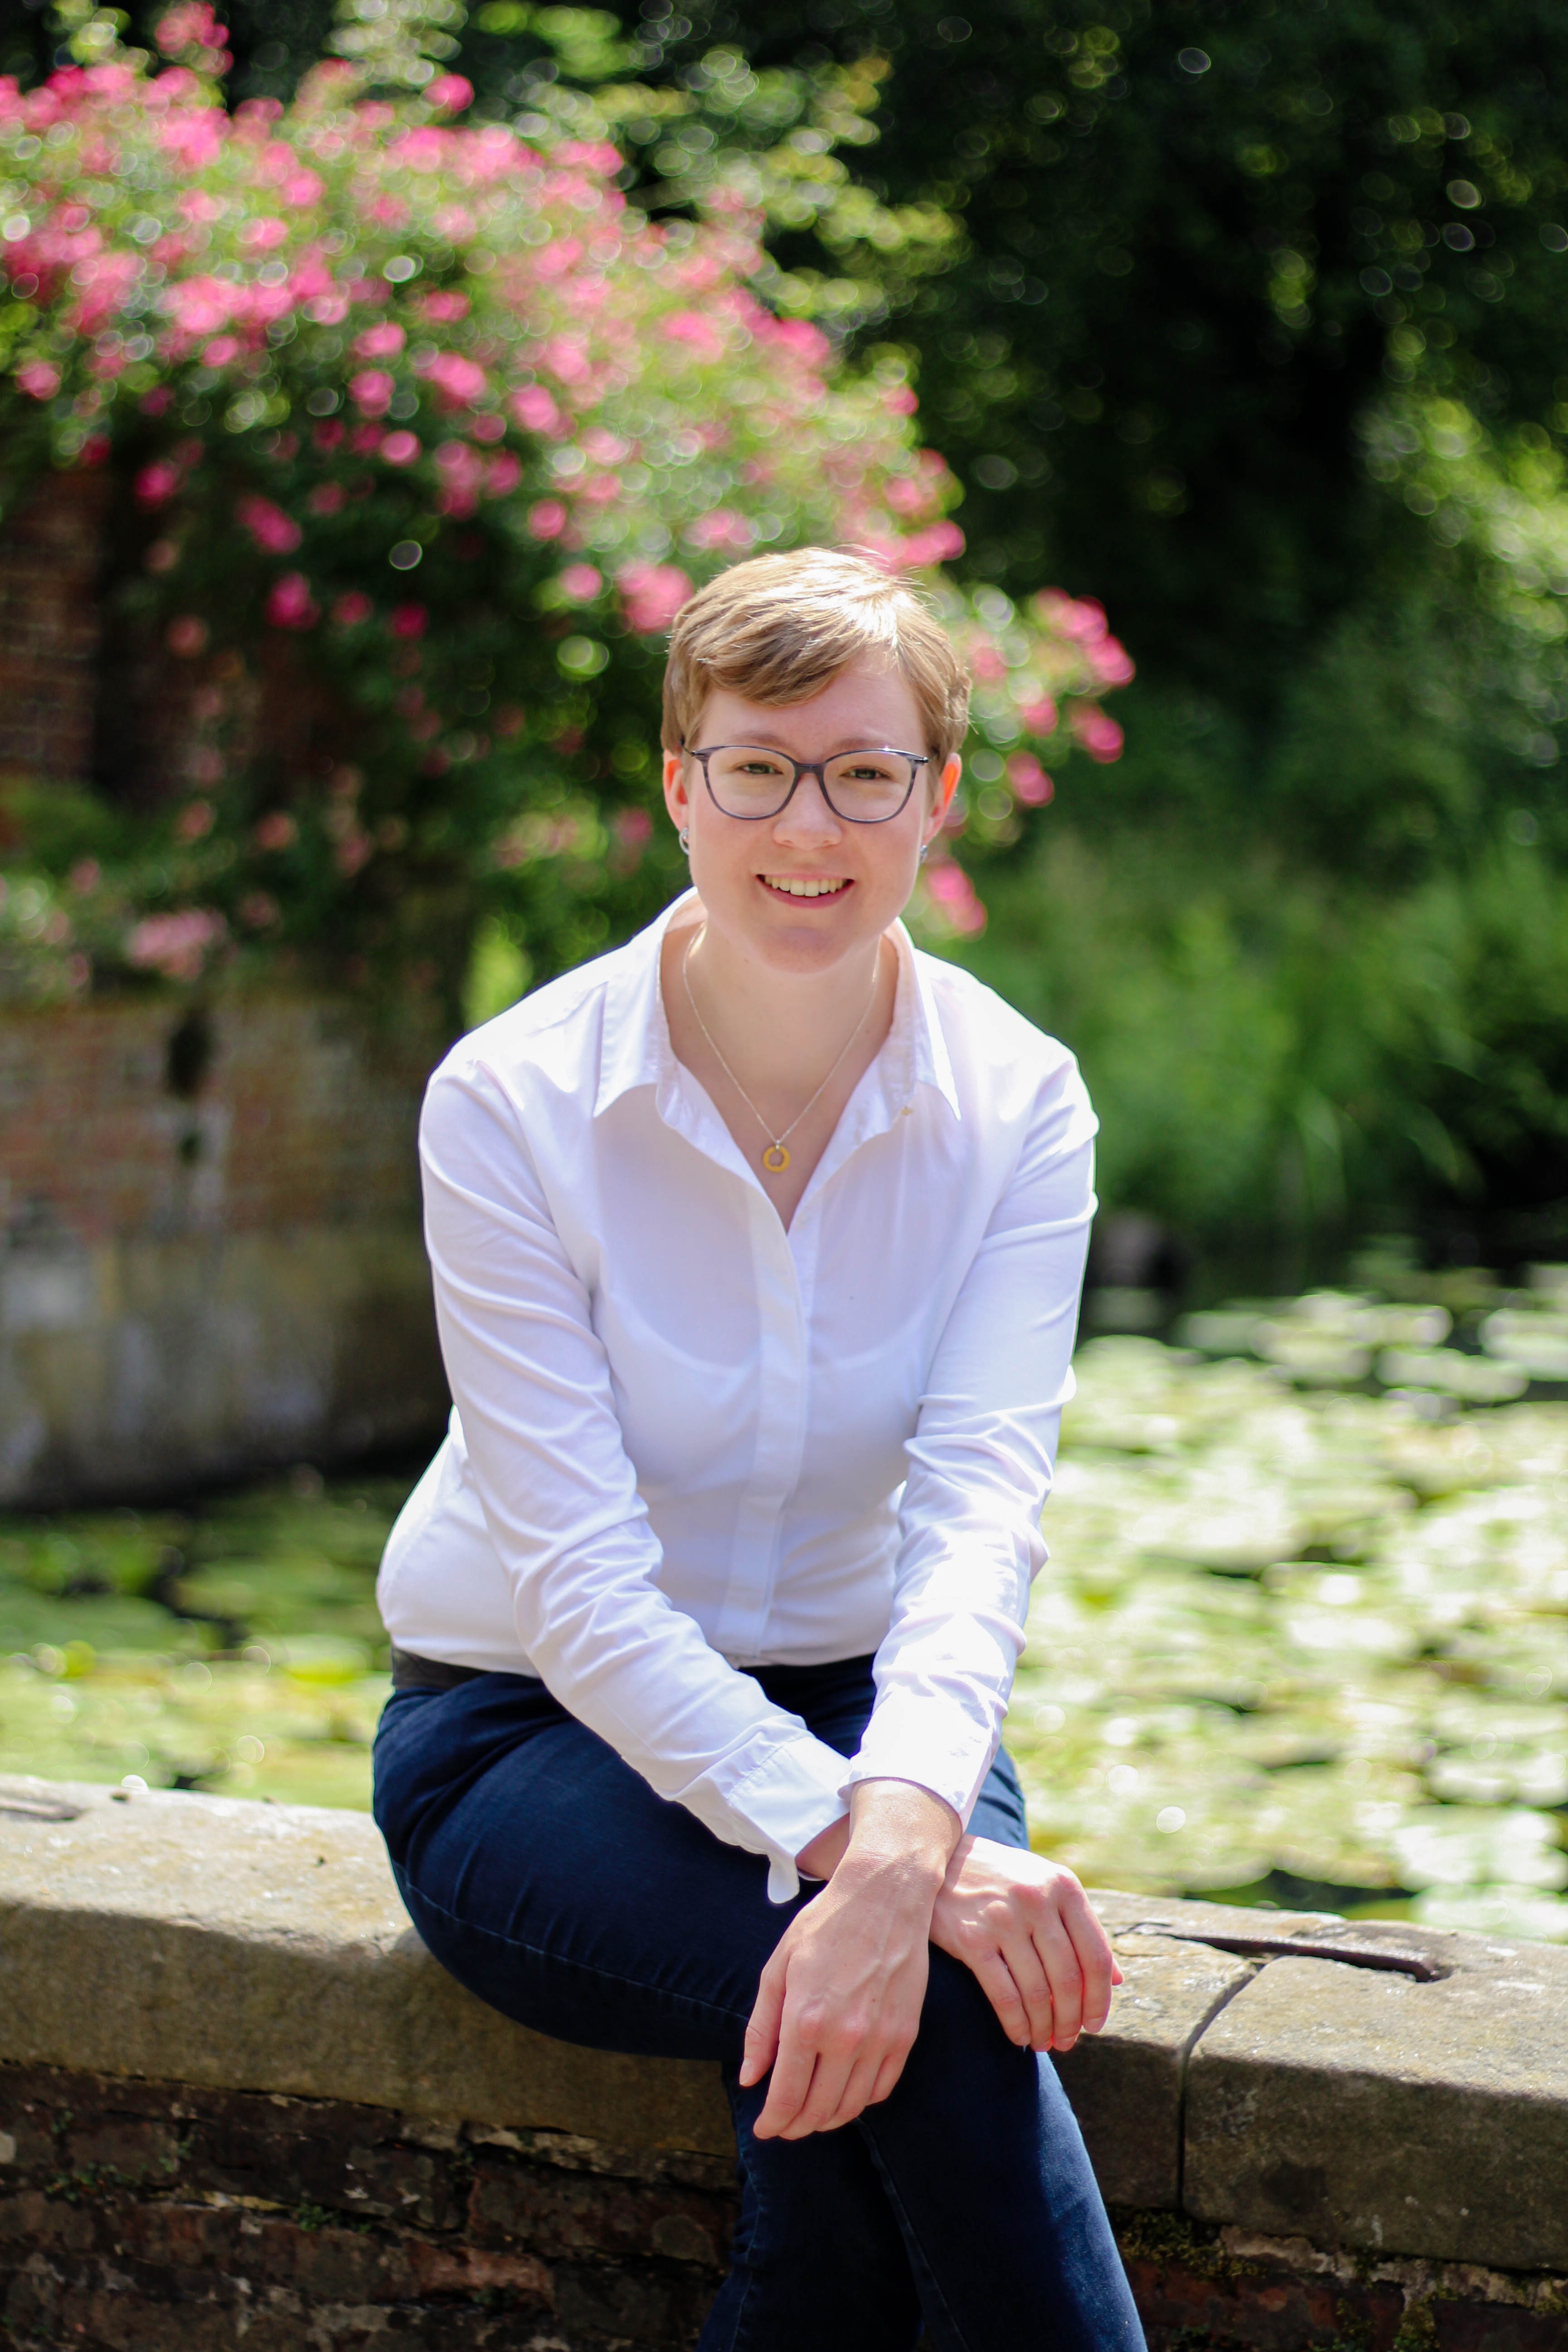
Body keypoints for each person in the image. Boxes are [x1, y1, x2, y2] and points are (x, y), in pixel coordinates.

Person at [372, 545, 1146, 2351]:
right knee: (947, 2009)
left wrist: (895, 1830)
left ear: (937, 797)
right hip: (525, 1741)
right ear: (679, 784)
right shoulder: (511, 1102)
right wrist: (884, 1866)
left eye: (866, 772)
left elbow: (978, 1517)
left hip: (875, 1717)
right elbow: (579, 1593)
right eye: (759, 769)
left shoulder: (1020, 1102)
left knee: (845, 2191)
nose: (811, 825)